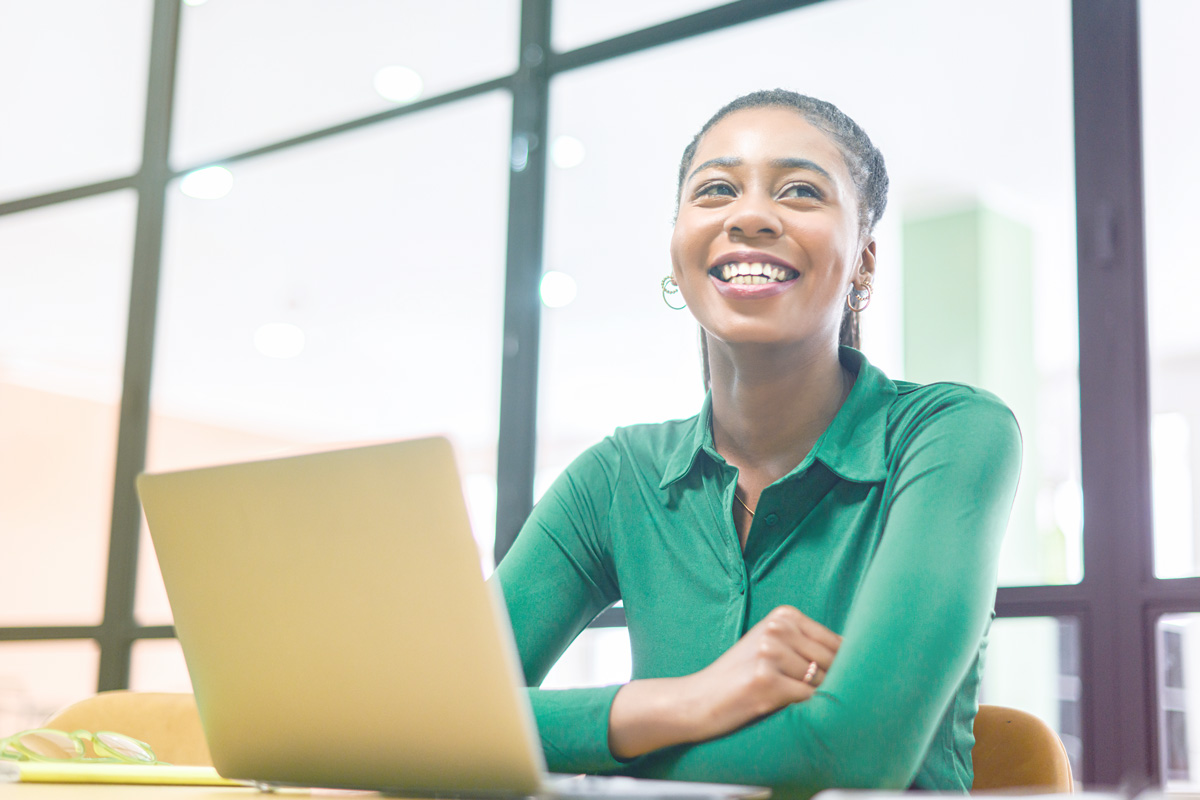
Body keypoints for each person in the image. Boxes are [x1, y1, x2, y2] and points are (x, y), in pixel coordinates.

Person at [493, 89, 1021, 798]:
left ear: (863, 262)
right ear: (678, 250)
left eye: (801, 191)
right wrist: (687, 700)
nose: (747, 216)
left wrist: (584, 746)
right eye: (714, 190)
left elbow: (855, 755)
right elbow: (430, 716)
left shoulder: (951, 435)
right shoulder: (615, 479)